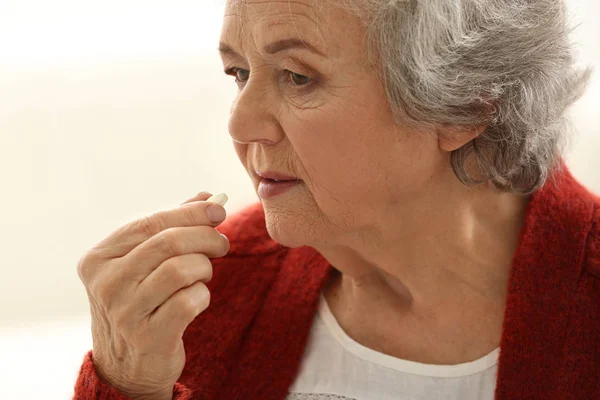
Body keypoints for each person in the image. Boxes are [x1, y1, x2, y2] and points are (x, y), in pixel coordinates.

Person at [73, 0, 599, 399]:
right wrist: (128, 384)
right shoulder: (199, 301)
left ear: (464, 104)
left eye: (298, 77)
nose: (239, 123)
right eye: (239, 73)